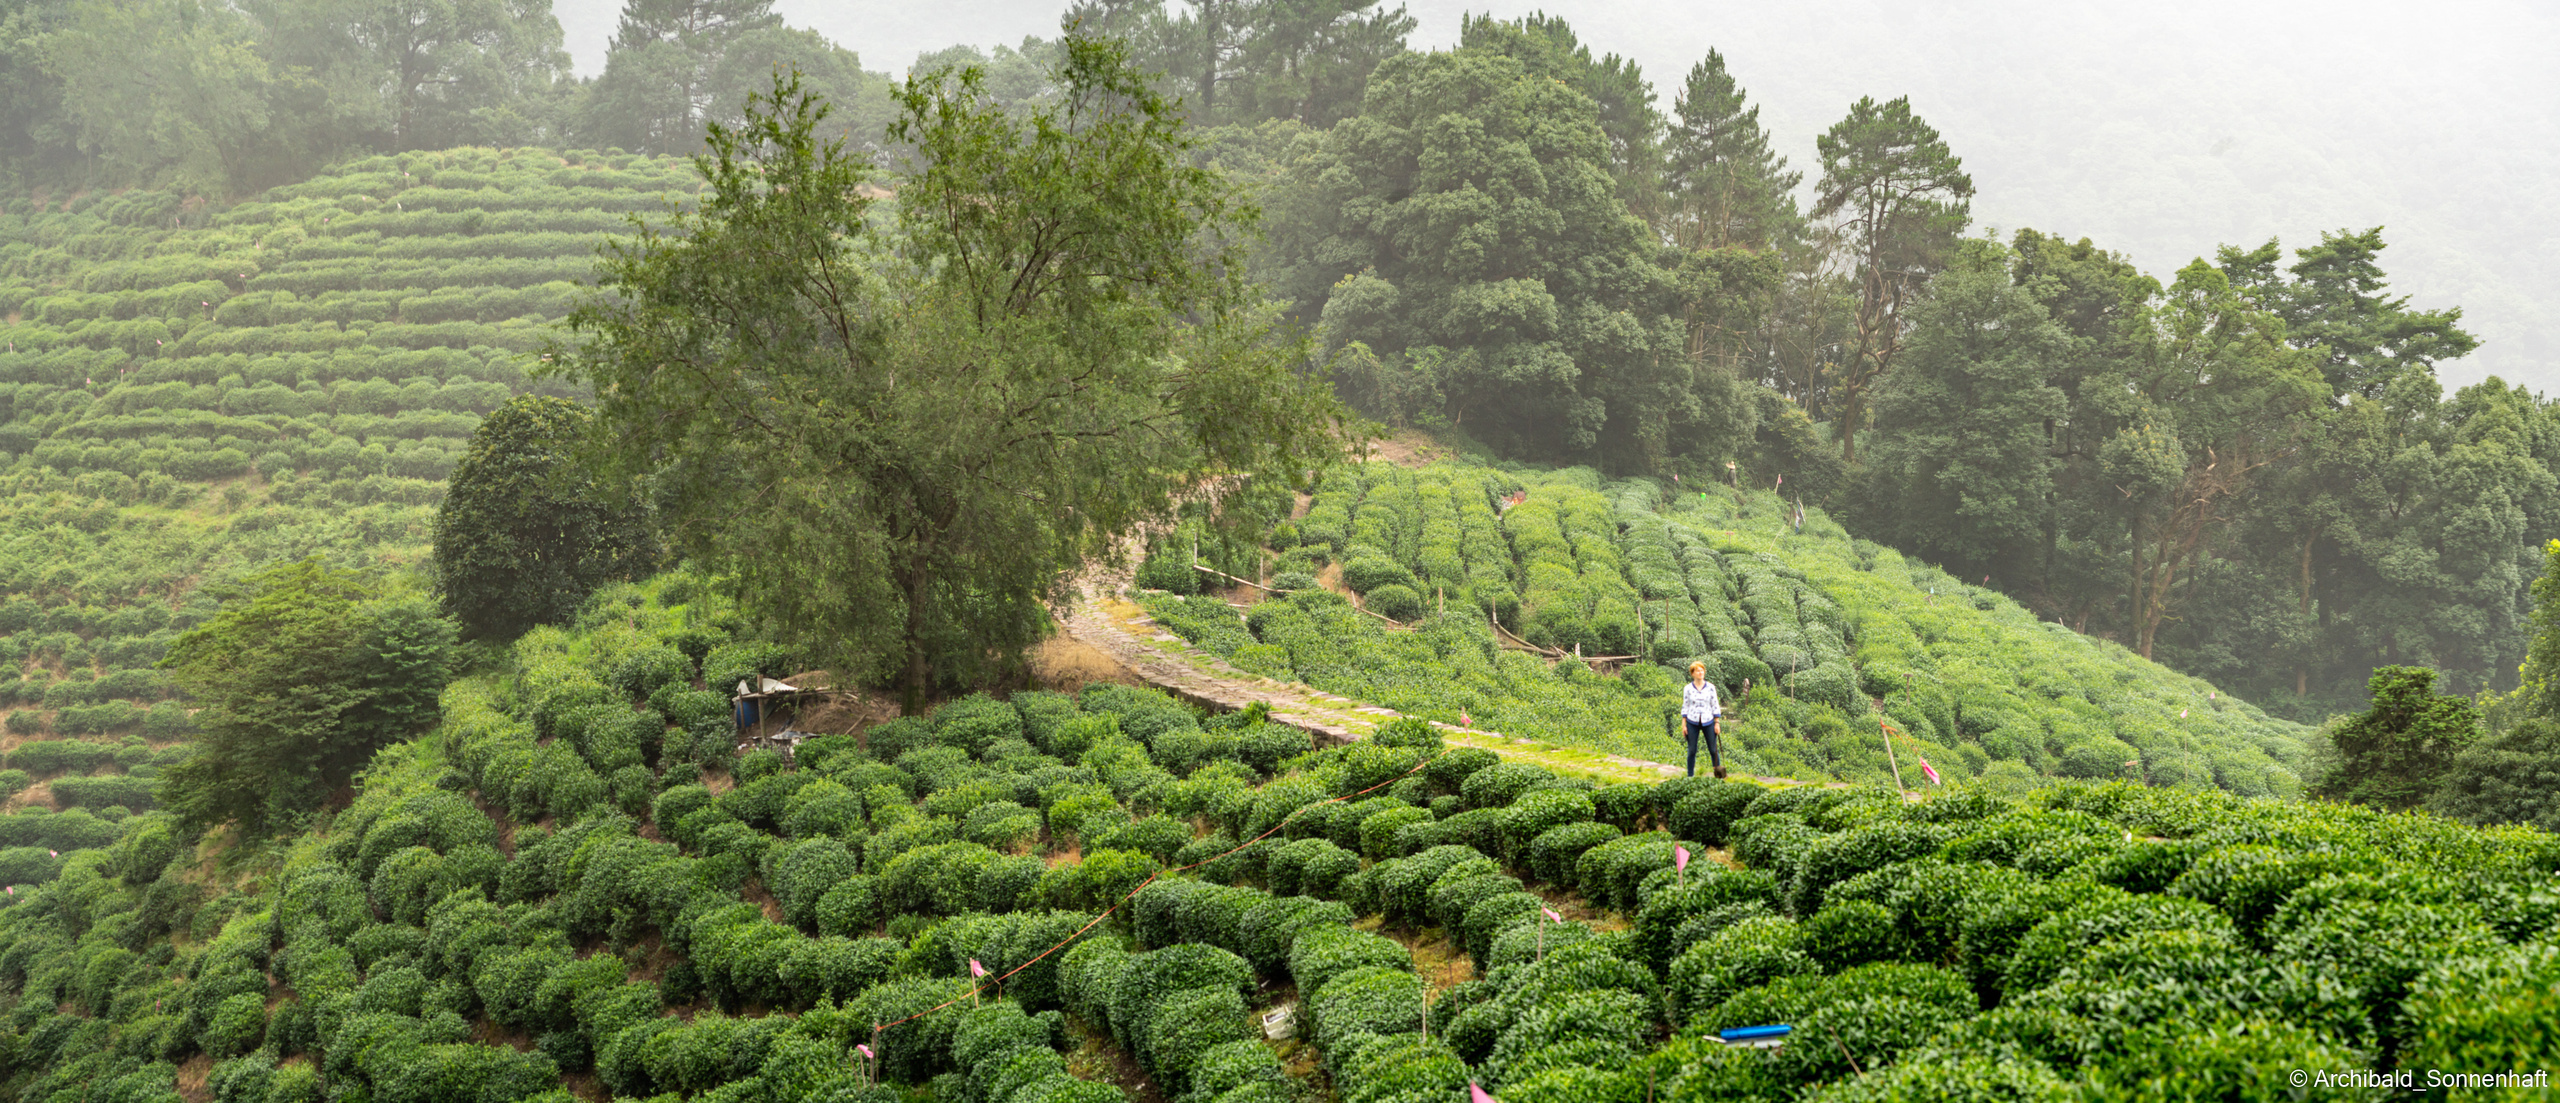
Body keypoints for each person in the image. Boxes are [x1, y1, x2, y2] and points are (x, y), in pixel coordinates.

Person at [1681, 661, 1725, 779]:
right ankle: (1690, 775)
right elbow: (1685, 706)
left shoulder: (1710, 687)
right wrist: (1684, 725)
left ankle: (1718, 775)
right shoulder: (1688, 688)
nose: (1700, 673)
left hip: (1708, 721)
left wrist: (1717, 723)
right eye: (1698, 671)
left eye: (1702, 670)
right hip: (1692, 721)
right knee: (1692, 750)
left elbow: (1715, 705)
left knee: (1713, 749)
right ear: (1693, 674)